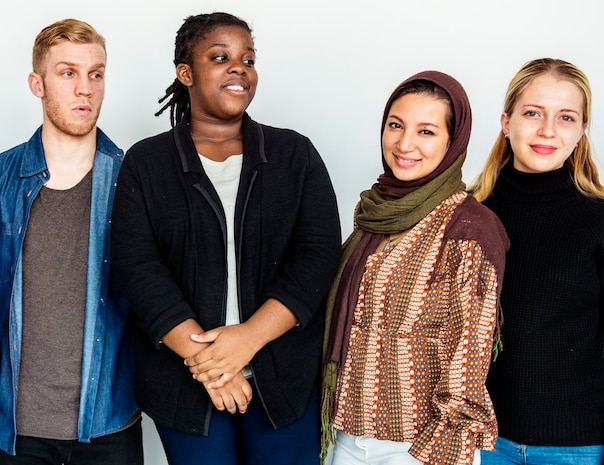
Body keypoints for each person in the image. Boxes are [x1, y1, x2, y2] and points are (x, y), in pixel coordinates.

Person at [109, 12, 342, 465]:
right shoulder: (147, 163)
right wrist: (212, 366)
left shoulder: (295, 155)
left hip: (283, 382)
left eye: (248, 59)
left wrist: (247, 340)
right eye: (221, 57)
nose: (239, 68)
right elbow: (138, 268)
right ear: (186, 73)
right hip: (185, 385)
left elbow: (316, 257)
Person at [321, 70, 509, 465]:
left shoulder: (469, 226)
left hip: (419, 447)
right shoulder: (373, 213)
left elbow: (469, 351)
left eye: (426, 131)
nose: (404, 144)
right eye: (396, 125)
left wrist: (441, 450)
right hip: (348, 439)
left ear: (452, 142)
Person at [0, 18, 142, 465]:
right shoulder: (2, 180)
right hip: (15, 431)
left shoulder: (134, 182)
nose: (85, 89)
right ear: (36, 83)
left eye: (95, 74)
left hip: (108, 426)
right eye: (68, 73)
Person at [470, 58, 604, 465]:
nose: (547, 130)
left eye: (566, 117)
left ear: (581, 130)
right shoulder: (470, 216)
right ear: (506, 122)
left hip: (578, 449)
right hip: (482, 444)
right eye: (533, 113)